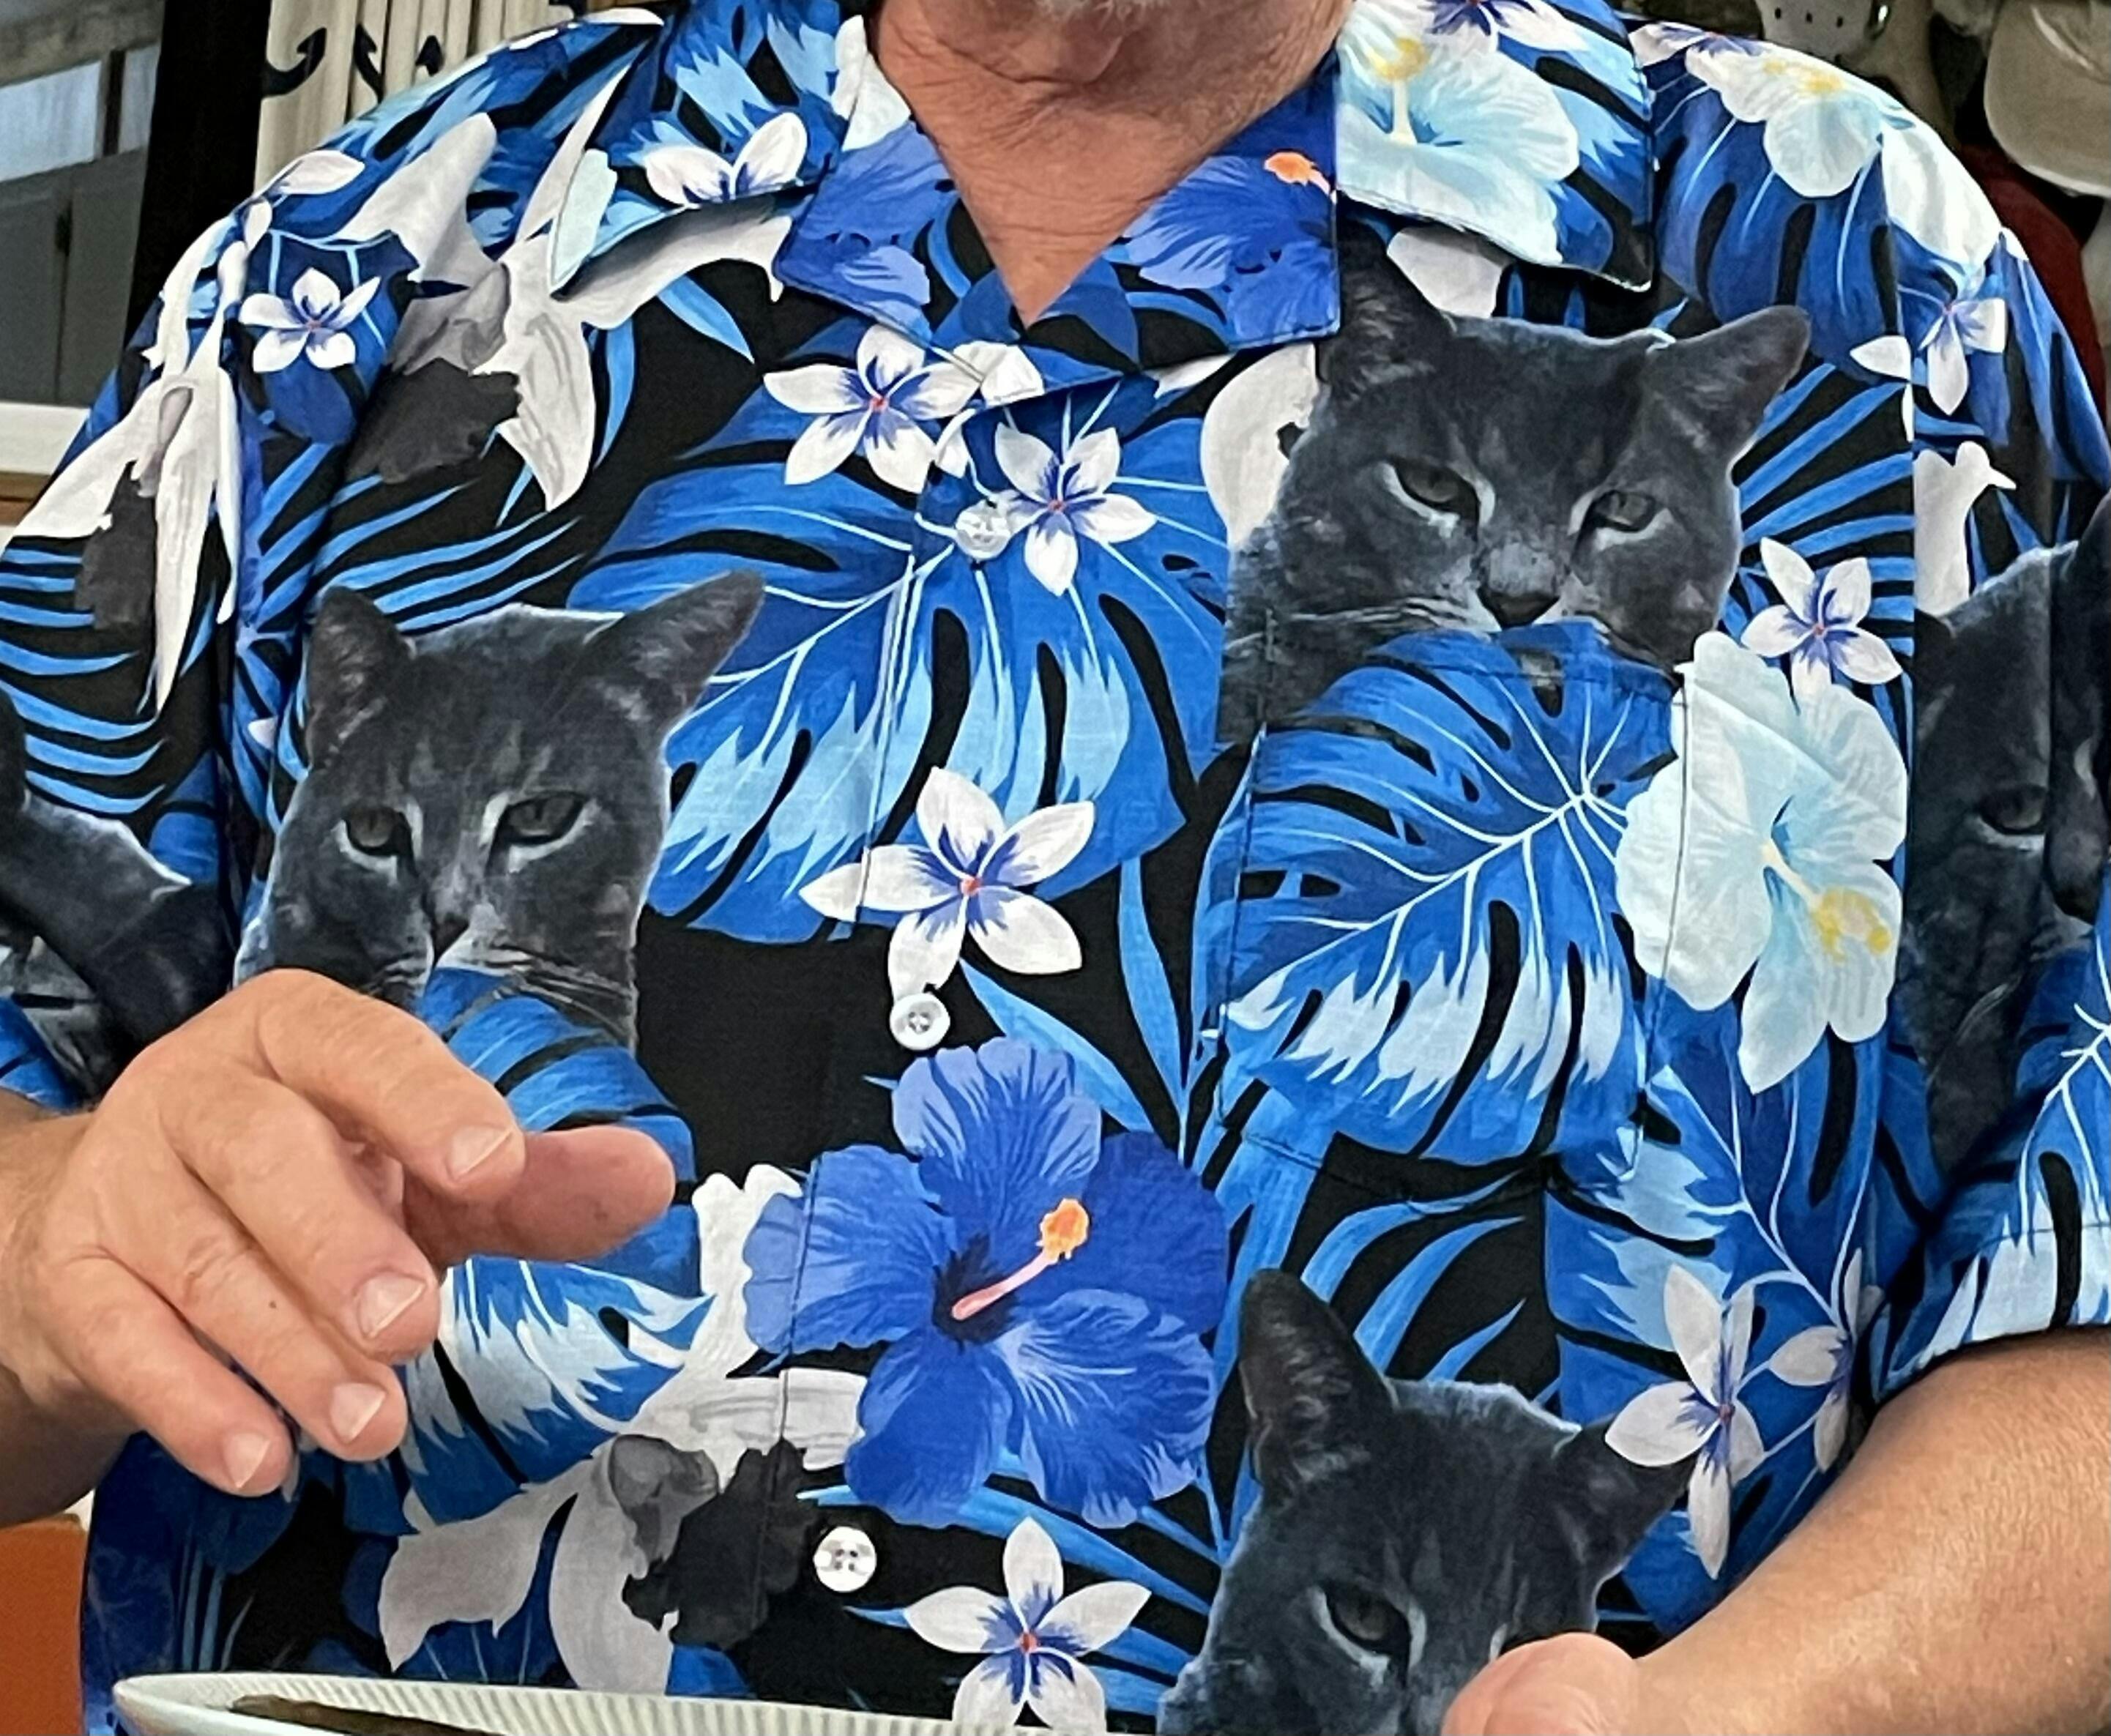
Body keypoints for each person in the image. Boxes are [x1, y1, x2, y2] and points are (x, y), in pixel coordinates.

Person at [0, 0, 2104, 1729]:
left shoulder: (1839, 261)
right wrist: (73, 1243)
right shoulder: (354, 284)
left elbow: (2078, 1276)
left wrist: (1770, 1709)